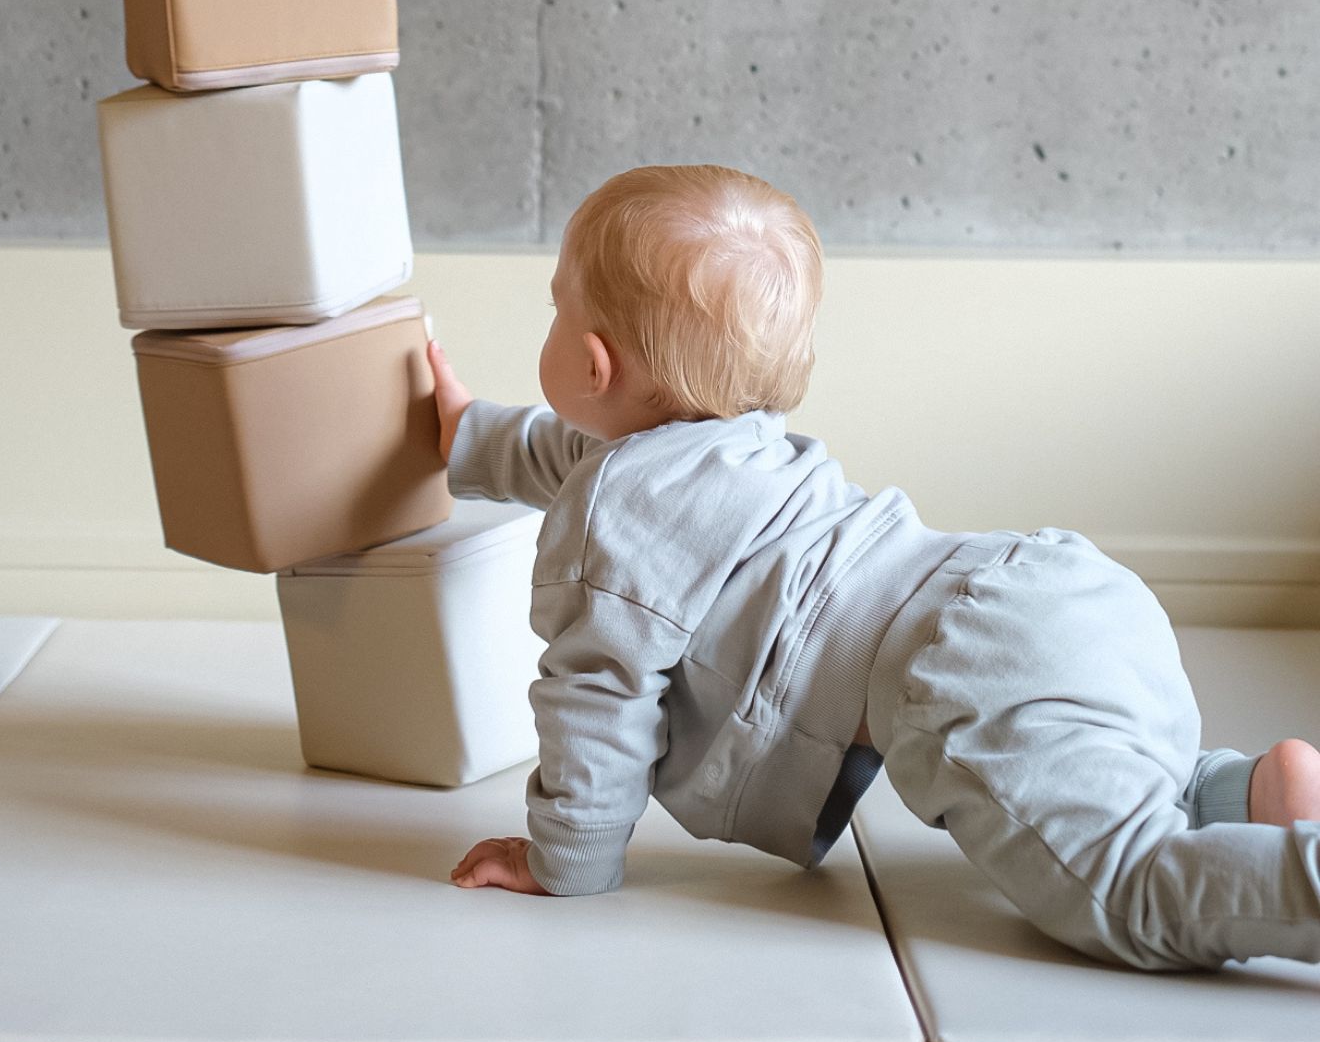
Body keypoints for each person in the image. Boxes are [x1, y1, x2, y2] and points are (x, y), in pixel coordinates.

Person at [424, 163, 1320, 971]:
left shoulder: (619, 516)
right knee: (1142, 777)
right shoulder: (729, 446)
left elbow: (598, 693)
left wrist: (566, 856)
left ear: (592, 361)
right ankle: (1247, 792)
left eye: (558, 306)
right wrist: (467, 434)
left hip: (960, 675)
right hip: (1051, 586)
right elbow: (586, 459)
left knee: (1125, 891)